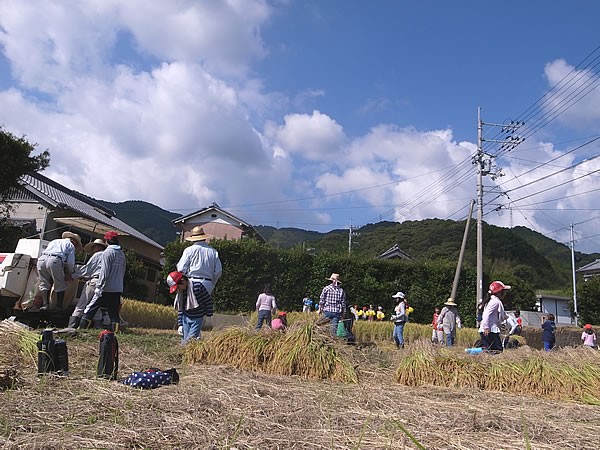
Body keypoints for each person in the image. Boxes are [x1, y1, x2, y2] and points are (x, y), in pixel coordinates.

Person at [79, 231, 126, 332]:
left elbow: (104, 271)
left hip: (106, 287)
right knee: (114, 312)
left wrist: (99, 287)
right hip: (117, 288)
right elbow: (123, 271)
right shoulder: (121, 254)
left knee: (90, 309)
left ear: (106, 241)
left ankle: (82, 330)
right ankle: (115, 333)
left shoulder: (107, 253)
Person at [36, 231, 82, 310]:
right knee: (60, 284)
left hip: (41, 259)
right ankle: (58, 306)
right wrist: (70, 272)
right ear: (74, 241)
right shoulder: (70, 245)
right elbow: (70, 262)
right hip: (54, 260)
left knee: (44, 282)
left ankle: (45, 305)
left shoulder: (54, 241)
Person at [68, 238, 107, 328]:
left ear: (97, 247)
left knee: (81, 304)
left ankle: (71, 326)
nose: (93, 250)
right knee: (96, 307)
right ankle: (98, 327)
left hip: (94, 282)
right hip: (104, 283)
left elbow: (87, 269)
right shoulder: (108, 256)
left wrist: (73, 276)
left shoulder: (97, 255)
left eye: (93, 247)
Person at [166, 271, 213, 343]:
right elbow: (181, 309)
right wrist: (180, 324)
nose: (178, 289)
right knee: (184, 340)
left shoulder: (198, 287)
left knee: (191, 339)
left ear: (183, 281)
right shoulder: (181, 293)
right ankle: (183, 353)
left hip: (197, 318)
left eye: (178, 287)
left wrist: (209, 316)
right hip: (186, 318)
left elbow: (208, 300)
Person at [176, 226, 222, 295]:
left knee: (191, 305)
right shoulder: (213, 251)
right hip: (208, 283)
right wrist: (212, 283)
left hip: (192, 282)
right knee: (205, 305)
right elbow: (218, 271)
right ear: (204, 238)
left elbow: (181, 268)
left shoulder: (189, 250)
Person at [479, 281, 509, 352]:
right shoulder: (495, 301)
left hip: (488, 329)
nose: (505, 294)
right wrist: (486, 327)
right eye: (503, 291)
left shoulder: (491, 300)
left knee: (489, 350)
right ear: (498, 292)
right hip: (490, 330)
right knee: (498, 350)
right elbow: (486, 314)